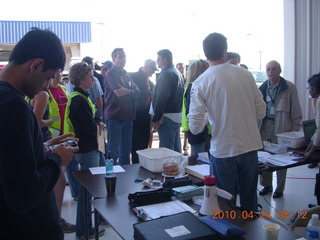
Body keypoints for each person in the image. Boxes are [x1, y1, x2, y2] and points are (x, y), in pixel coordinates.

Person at [0, 28, 78, 240]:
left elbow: (10, 162)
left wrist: (41, 149)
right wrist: (56, 159)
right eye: (48, 78)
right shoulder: (13, 106)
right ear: (36, 65)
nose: (46, 86)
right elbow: (23, 195)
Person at [188, 32, 266, 212]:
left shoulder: (201, 81)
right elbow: (261, 111)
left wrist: (209, 116)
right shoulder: (245, 75)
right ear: (225, 52)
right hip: (249, 147)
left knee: (223, 203)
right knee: (249, 201)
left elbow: (195, 127)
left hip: (223, 150)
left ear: (206, 53)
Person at [64, 62, 105, 239]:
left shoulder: (80, 96)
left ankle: (87, 228)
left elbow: (93, 116)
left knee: (86, 191)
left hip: (87, 147)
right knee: (86, 192)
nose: (93, 79)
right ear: (81, 79)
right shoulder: (79, 100)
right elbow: (88, 127)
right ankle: (84, 231)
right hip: (87, 149)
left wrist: (96, 120)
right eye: (90, 76)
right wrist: (99, 125)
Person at [259, 60, 302, 198]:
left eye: (274, 69)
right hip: (266, 126)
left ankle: (280, 188)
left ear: (279, 70)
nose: (270, 72)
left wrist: (294, 132)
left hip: (282, 128)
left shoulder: (289, 87)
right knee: (265, 156)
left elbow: (296, 110)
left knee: (282, 157)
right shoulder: (263, 88)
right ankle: (267, 185)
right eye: (268, 69)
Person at [48, 70, 76, 232]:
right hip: (51, 137)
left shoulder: (64, 89)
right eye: (56, 74)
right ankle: (55, 220)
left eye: (60, 73)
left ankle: (56, 219)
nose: (59, 76)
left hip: (61, 135)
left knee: (61, 175)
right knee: (57, 177)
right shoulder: (42, 93)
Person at [104, 48, 140, 165]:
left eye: (124, 56)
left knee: (125, 151)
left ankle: (124, 178)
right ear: (113, 59)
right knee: (113, 152)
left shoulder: (126, 74)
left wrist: (128, 91)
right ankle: (112, 178)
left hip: (128, 118)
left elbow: (138, 92)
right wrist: (130, 92)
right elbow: (119, 93)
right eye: (120, 56)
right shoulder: (110, 74)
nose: (123, 59)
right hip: (115, 117)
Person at [152, 49, 184, 153]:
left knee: (167, 151)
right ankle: (177, 169)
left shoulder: (166, 74)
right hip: (176, 115)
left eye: (158, 59)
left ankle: (170, 169)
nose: (157, 62)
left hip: (167, 116)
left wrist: (156, 118)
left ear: (165, 59)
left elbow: (162, 97)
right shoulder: (177, 72)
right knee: (175, 149)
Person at [130, 59, 157, 163]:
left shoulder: (150, 82)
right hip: (136, 115)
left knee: (145, 141)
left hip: (146, 115)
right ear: (145, 67)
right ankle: (136, 163)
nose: (153, 72)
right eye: (152, 69)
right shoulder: (134, 77)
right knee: (136, 143)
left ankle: (142, 163)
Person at [182, 59, 211, 156]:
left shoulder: (192, 86)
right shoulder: (194, 87)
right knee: (199, 163)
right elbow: (193, 111)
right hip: (199, 131)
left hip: (199, 130)